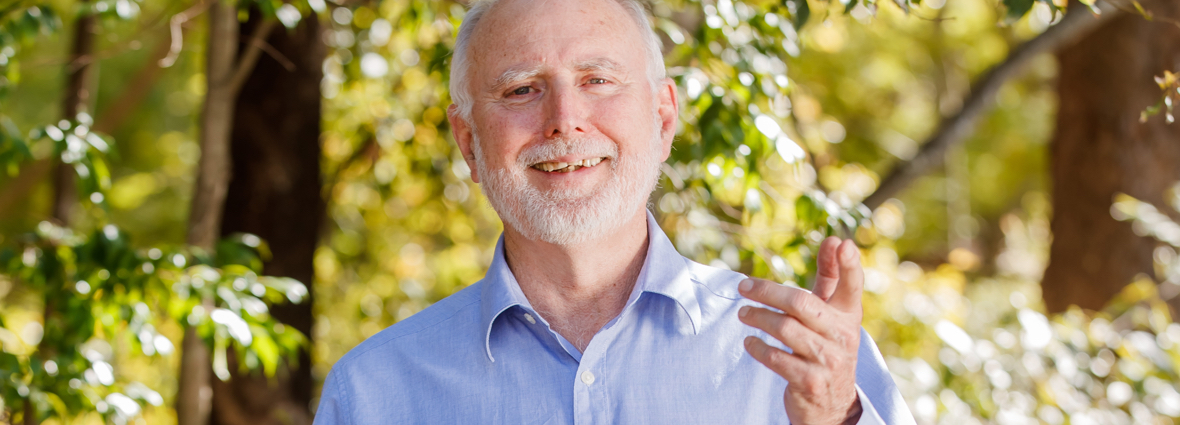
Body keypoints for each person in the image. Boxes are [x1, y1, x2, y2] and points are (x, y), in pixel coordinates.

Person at [314, 0, 915, 423]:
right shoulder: (372, 392)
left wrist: (838, 419)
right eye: (522, 89)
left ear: (662, 118)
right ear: (469, 141)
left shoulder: (809, 359)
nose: (564, 119)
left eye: (598, 80)